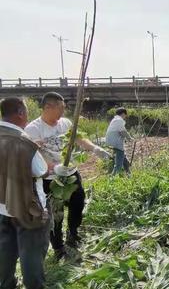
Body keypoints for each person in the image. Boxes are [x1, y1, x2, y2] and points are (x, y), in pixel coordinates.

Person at [25, 92, 110, 260]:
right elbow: (34, 156)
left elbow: (79, 139)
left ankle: (73, 233)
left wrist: (95, 149)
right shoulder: (33, 128)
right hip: (49, 178)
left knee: (78, 203)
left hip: (70, 173)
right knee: (55, 214)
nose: (63, 111)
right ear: (48, 107)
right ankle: (58, 248)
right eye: (61, 108)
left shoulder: (65, 123)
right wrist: (53, 168)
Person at [0, 97, 51, 289]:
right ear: (20, 113)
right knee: (31, 248)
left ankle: (6, 285)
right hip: (25, 206)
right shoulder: (23, 141)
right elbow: (40, 170)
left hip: (2, 205)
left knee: (5, 248)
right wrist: (35, 151)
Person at [105, 107, 132, 175]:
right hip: (116, 142)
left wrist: (126, 138)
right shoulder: (119, 120)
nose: (125, 117)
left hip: (111, 141)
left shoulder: (115, 119)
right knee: (119, 162)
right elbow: (123, 131)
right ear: (123, 114)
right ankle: (114, 176)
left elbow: (120, 132)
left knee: (123, 157)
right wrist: (130, 138)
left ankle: (128, 172)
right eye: (125, 115)